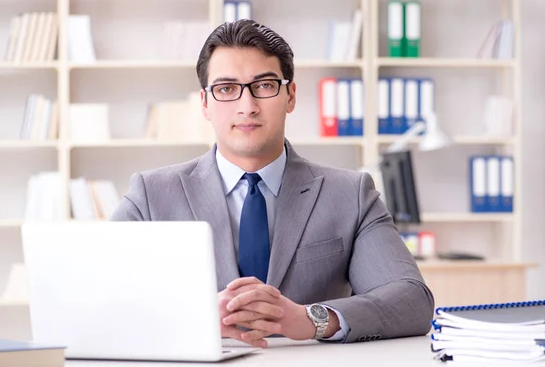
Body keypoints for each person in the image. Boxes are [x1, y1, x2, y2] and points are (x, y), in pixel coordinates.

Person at [111, 19, 434, 348]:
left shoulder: (351, 195)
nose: (247, 106)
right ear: (205, 104)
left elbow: (411, 299)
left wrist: (312, 319)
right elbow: (96, 297)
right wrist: (198, 315)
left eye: (264, 86)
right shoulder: (150, 197)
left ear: (290, 95)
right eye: (226, 89)